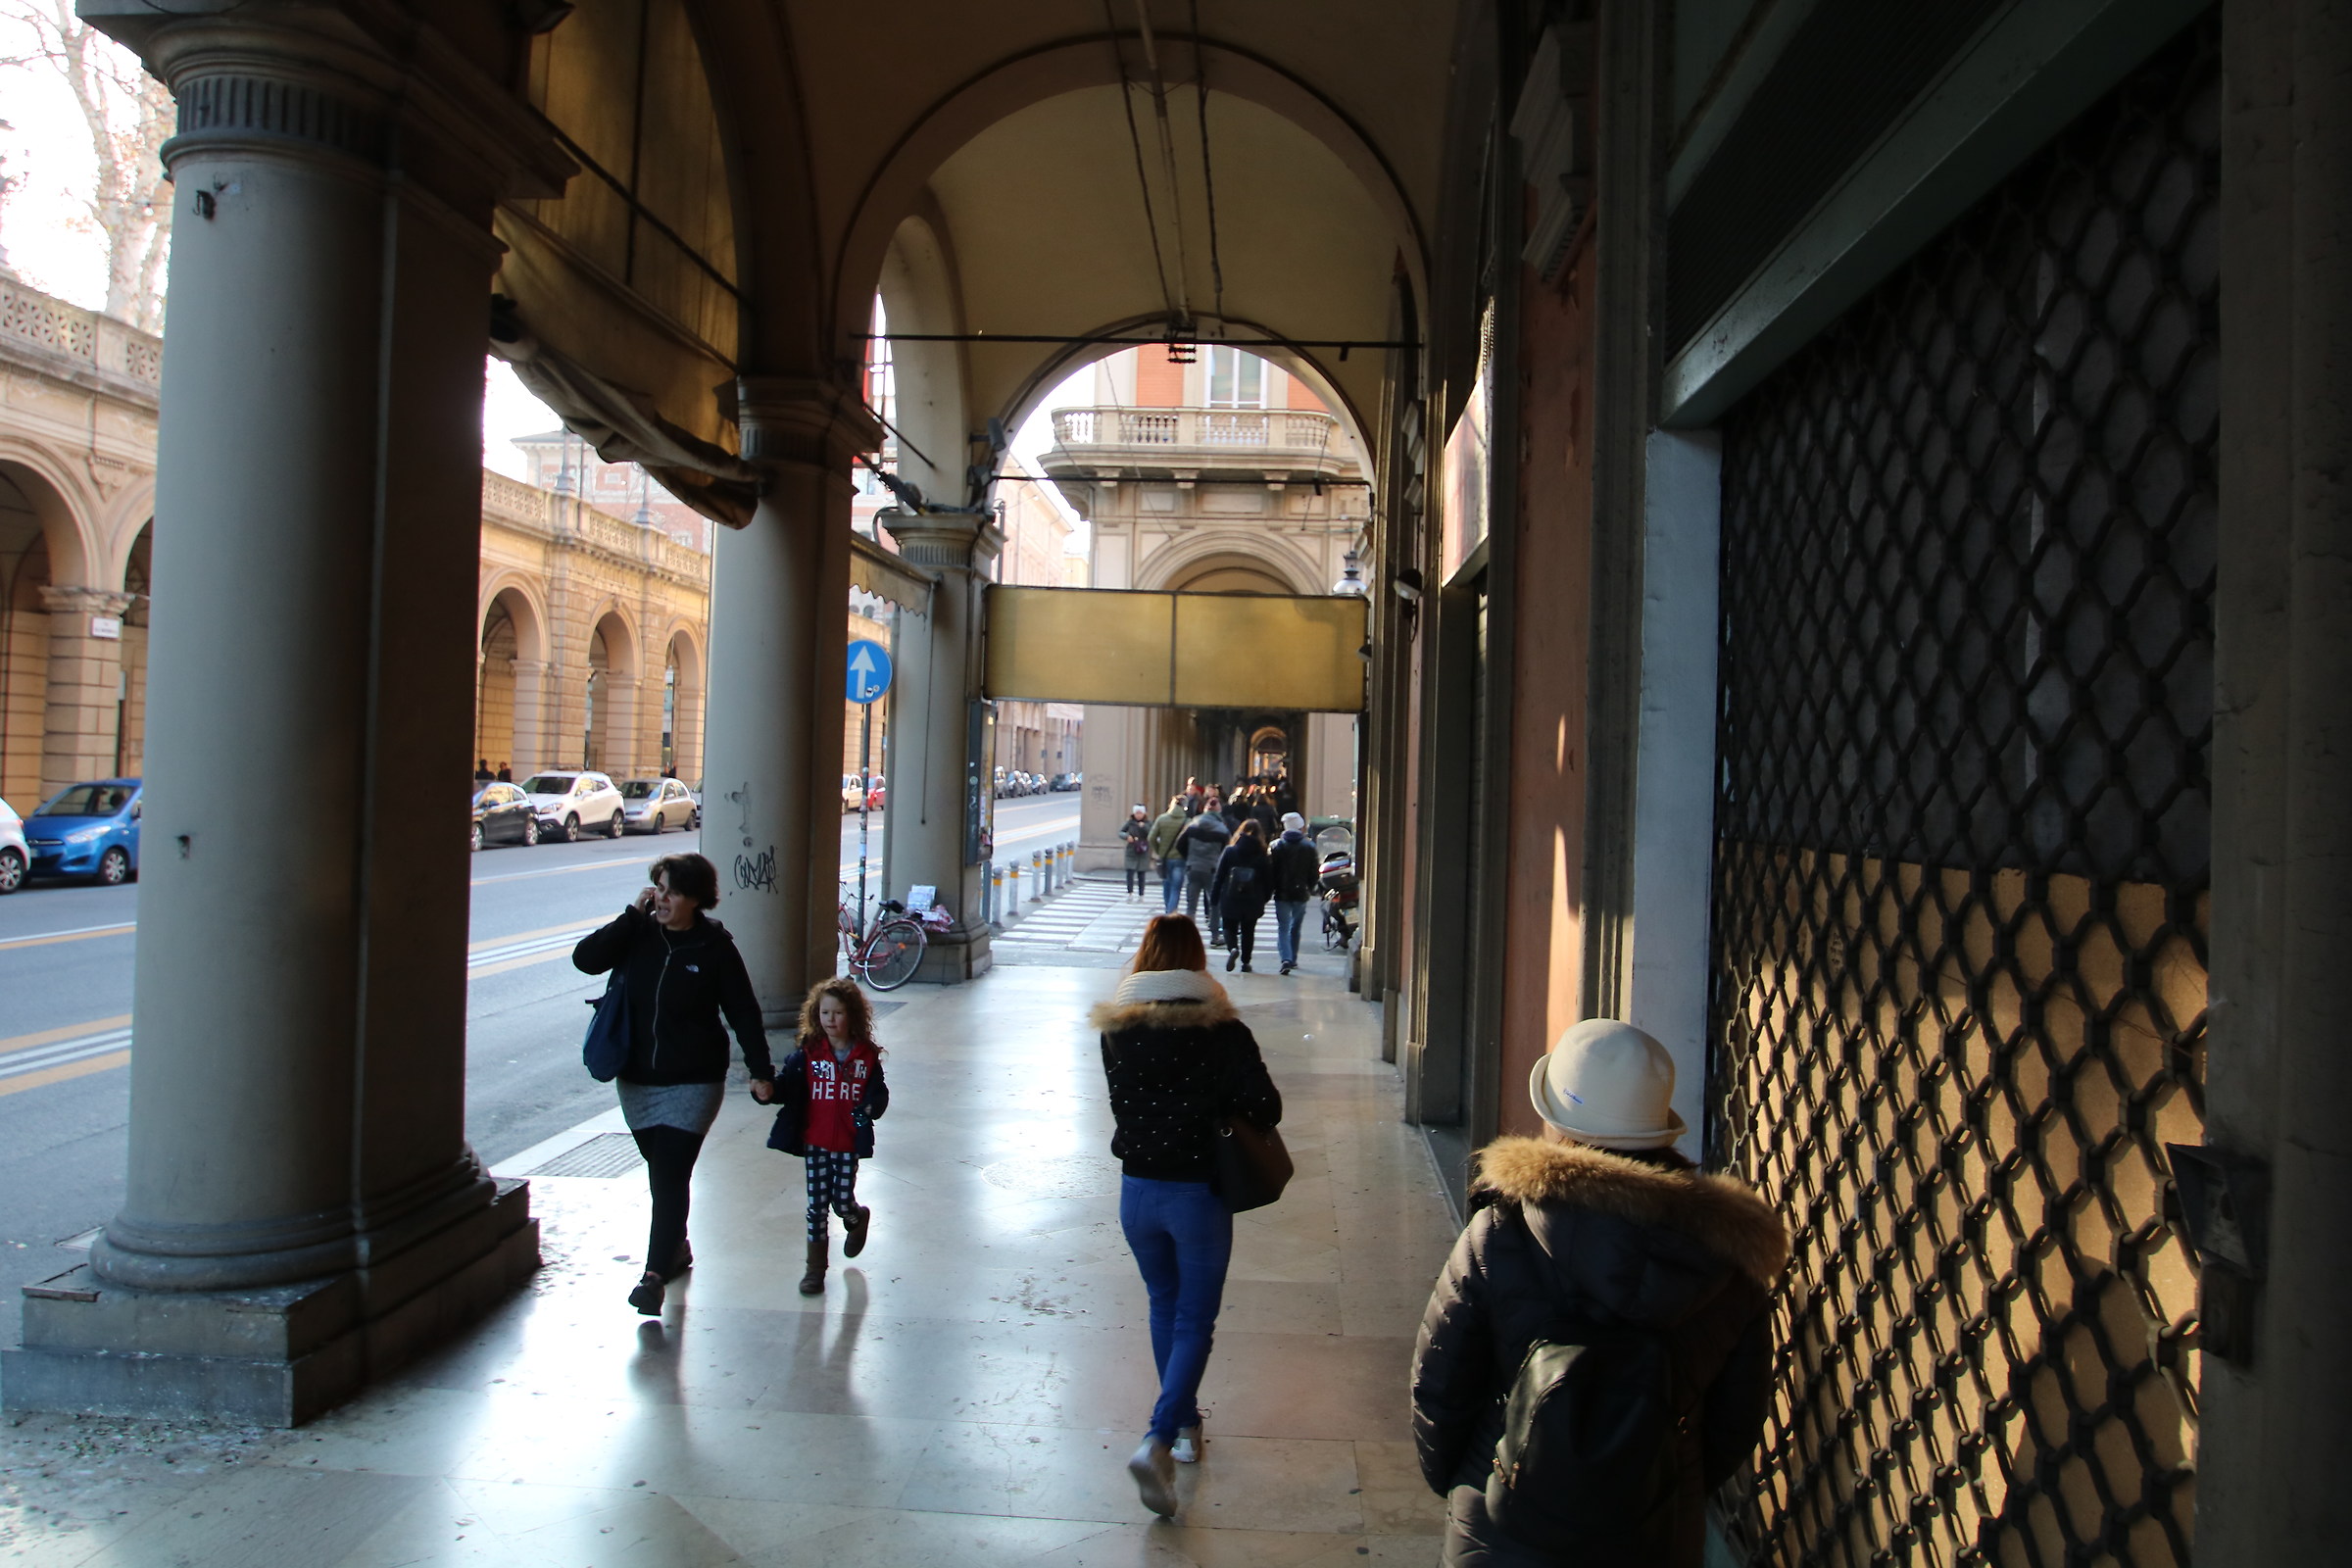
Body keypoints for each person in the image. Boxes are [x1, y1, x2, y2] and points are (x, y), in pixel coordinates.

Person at [1410, 1020, 1786, 1567]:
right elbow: (1736, 1421)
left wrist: (1462, 1482)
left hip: (1503, 1521)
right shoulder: (1729, 1257)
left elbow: (1440, 1384)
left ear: (1557, 1117)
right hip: (1653, 1530)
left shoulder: (1501, 1231)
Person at [1093, 914, 1281, 1516]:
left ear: (1145, 959)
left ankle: (1185, 1426)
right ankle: (1156, 1437)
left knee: (1163, 1306)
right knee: (1195, 1319)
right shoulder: (1223, 1033)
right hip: (1197, 1192)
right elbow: (1266, 1108)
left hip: (1137, 1193)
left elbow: (1125, 1100)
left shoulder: (1115, 1032)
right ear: (1195, 960)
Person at [572, 852, 774, 1317]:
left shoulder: (714, 947)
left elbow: (743, 1010)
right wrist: (630, 917)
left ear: (697, 899)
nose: (662, 898)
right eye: (658, 888)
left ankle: (653, 1276)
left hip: (695, 1080)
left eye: (673, 891)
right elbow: (585, 960)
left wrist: (761, 1071)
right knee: (660, 1169)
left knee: (669, 1175)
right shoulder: (638, 934)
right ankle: (676, 1248)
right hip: (637, 1079)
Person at [766, 976, 890, 1295]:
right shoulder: (808, 1055)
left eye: (837, 1013)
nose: (830, 1020)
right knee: (817, 1205)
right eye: (824, 1013)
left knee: (841, 1199)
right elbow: (785, 1088)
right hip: (816, 1141)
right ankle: (814, 1270)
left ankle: (856, 1217)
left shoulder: (866, 1056)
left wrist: (872, 1108)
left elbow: (879, 1093)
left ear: (852, 1016)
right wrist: (766, 1091)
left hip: (849, 1142)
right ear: (816, 1015)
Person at [1208, 819, 1273, 973]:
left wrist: (1215, 897)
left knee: (1228, 927)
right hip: (1253, 898)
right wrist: (1264, 898)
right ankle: (1246, 962)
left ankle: (1232, 948)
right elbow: (1269, 880)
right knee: (1248, 931)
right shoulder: (1262, 854)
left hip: (1230, 897)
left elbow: (1219, 876)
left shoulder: (1230, 851)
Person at [1267, 812, 1318, 975]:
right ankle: (1293, 958)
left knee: (1283, 927)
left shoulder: (1276, 846)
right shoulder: (1310, 847)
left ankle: (1286, 958)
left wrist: (1271, 889)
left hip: (1281, 893)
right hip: (1301, 892)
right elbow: (1314, 872)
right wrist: (1309, 888)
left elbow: (1271, 871)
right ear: (1300, 827)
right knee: (1295, 927)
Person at [1175, 800, 1230, 942]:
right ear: (1218, 811)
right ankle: (1215, 936)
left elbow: (1179, 844)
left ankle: (1187, 936)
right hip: (1212, 869)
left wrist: (1189, 858)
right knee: (1214, 904)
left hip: (1193, 867)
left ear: (1205, 809)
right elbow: (1227, 852)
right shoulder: (1222, 829)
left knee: (1191, 905)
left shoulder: (1193, 824)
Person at [1149, 796, 1190, 913]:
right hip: (1180, 859)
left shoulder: (1162, 819)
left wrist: (1159, 850)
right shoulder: (1187, 822)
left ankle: (1168, 909)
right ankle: (1171, 913)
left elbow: (1151, 837)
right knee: (1176, 889)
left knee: (1166, 885)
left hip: (1165, 858)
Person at [1121, 805, 1153, 898]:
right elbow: (1121, 832)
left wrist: (1144, 827)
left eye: (1140, 813)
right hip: (1131, 849)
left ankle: (1141, 893)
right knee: (1130, 871)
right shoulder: (1130, 823)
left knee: (1141, 872)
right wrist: (1127, 836)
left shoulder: (1148, 823)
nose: (1138, 815)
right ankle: (1129, 891)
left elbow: (1151, 833)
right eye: (1137, 813)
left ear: (1144, 814)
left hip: (1143, 850)